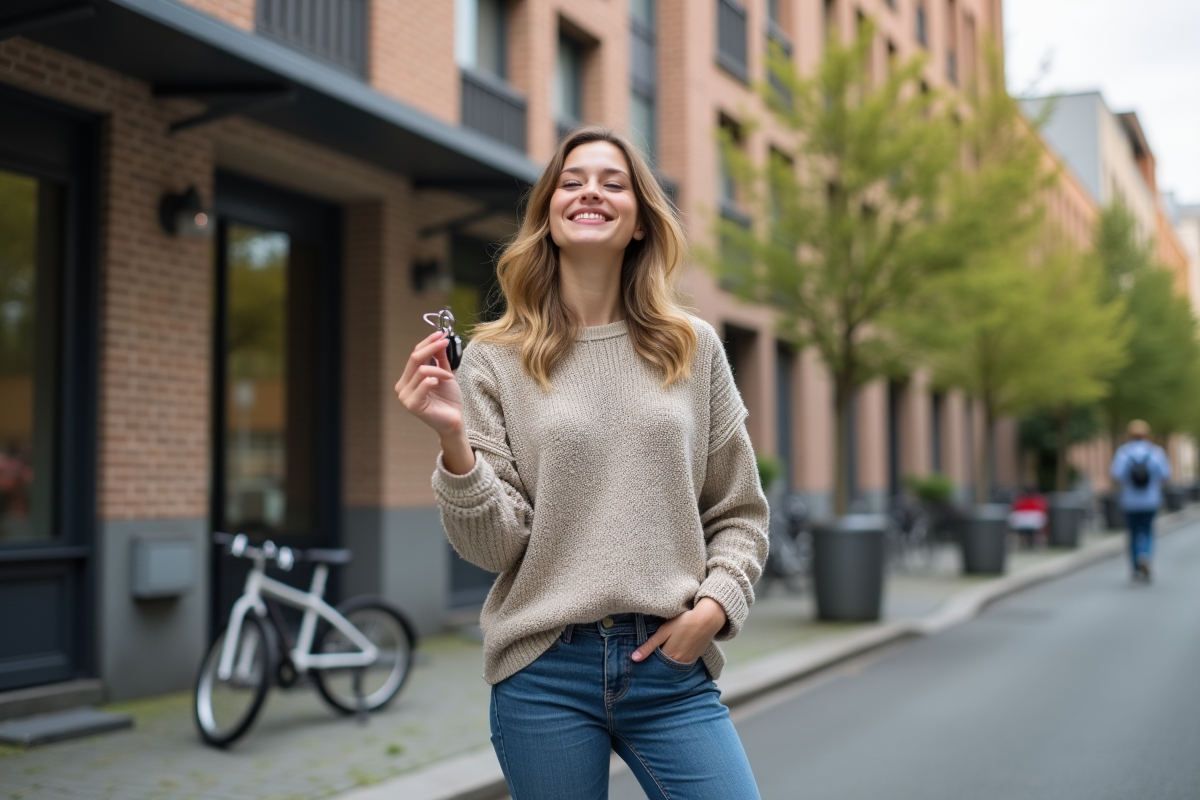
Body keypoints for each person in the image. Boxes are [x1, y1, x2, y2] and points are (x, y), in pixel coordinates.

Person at [395, 126, 768, 799]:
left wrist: (714, 607)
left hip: (670, 667)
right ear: (549, 216)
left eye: (612, 181)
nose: (590, 190)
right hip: (544, 672)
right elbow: (493, 545)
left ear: (637, 223)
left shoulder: (694, 348)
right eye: (571, 181)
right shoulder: (494, 358)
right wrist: (453, 443)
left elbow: (740, 510)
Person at [1109, 419, 1171, 582]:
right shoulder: (1156, 452)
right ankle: (1145, 555)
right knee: (1148, 531)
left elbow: (1116, 475)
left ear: (1129, 435)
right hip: (1151, 500)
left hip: (1130, 501)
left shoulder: (1123, 452)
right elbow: (1165, 474)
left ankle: (1136, 566)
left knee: (1134, 532)